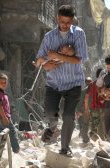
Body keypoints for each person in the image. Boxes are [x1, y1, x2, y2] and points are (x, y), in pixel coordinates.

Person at [35, 5, 88, 157]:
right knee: (50, 112)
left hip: (73, 83)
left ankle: (65, 148)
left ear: (72, 21)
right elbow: (41, 59)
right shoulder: (49, 37)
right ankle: (52, 128)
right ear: (58, 19)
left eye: (68, 22)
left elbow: (79, 60)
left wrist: (56, 56)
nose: (65, 25)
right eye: (63, 21)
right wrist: (47, 65)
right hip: (54, 83)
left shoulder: (79, 34)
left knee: (68, 116)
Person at [0, 73, 20, 153]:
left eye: (5, 82)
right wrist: (4, 117)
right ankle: (16, 150)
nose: (4, 84)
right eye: (1, 82)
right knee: (12, 132)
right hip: (3, 117)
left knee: (0, 135)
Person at [85, 68, 105, 140]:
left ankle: (94, 141)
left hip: (95, 108)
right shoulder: (105, 84)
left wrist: (86, 109)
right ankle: (102, 140)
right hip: (103, 108)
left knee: (94, 125)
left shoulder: (92, 84)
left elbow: (86, 97)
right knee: (103, 125)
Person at [76, 77, 92, 144]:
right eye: (87, 81)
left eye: (89, 81)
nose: (88, 83)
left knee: (85, 125)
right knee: (82, 124)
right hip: (84, 110)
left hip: (88, 110)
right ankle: (85, 139)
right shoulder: (83, 91)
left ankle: (85, 139)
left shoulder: (90, 90)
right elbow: (79, 101)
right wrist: (78, 111)